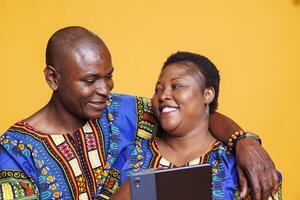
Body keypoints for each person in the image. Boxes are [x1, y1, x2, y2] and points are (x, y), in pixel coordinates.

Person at [0, 26, 278, 200]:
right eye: (89, 80)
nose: (104, 89)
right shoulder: (16, 150)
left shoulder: (121, 112)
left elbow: (190, 116)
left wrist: (243, 141)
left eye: (109, 76)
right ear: (53, 78)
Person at [111, 52, 282, 200]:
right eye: (158, 90)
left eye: (176, 86)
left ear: (208, 94)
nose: (163, 95)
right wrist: (129, 193)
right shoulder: (132, 153)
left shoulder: (235, 164)